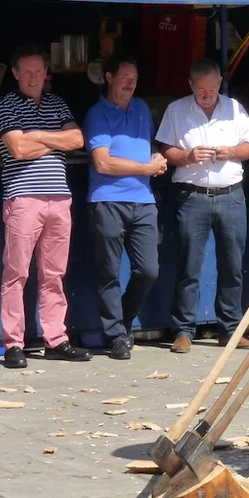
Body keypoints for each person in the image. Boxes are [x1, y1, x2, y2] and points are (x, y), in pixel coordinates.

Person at [0, 44, 89, 369]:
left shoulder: (57, 103)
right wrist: (54, 139)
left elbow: (77, 140)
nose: (34, 77)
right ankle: (13, 344)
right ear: (15, 74)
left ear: (46, 72)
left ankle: (56, 339)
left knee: (54, 275)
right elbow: (18, 149)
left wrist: (36, 135)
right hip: (23, 199)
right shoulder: (5, 106)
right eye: (27, 72)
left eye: (39, 71)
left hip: (59, 198)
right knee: (16, 273)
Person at [156, 59, 249, 353]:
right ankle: (183, 331)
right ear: (191, 85)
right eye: (201, 90)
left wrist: (231, 151)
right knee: (188, 266)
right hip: (192, 196)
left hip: (231, 195)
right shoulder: (176, 110)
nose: (207, 95)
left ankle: (230, 329)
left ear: (220, 84)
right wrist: (187, 156)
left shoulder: (234, 108)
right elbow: (165, 149)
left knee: (232, 266)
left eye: (212, 89)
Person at [82, 57, 167, 360]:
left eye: (134, 78)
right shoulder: (97, 114)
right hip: (108, 199)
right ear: (109, 78)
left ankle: (124, 322)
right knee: (109, 272)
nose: (130, 83)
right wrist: (146, 167)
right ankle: (116, 336)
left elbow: (148, 146)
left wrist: (157, 157)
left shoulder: (142, 108)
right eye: (125, 77)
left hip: (144, 200)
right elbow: (103, 163)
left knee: (149, 270)